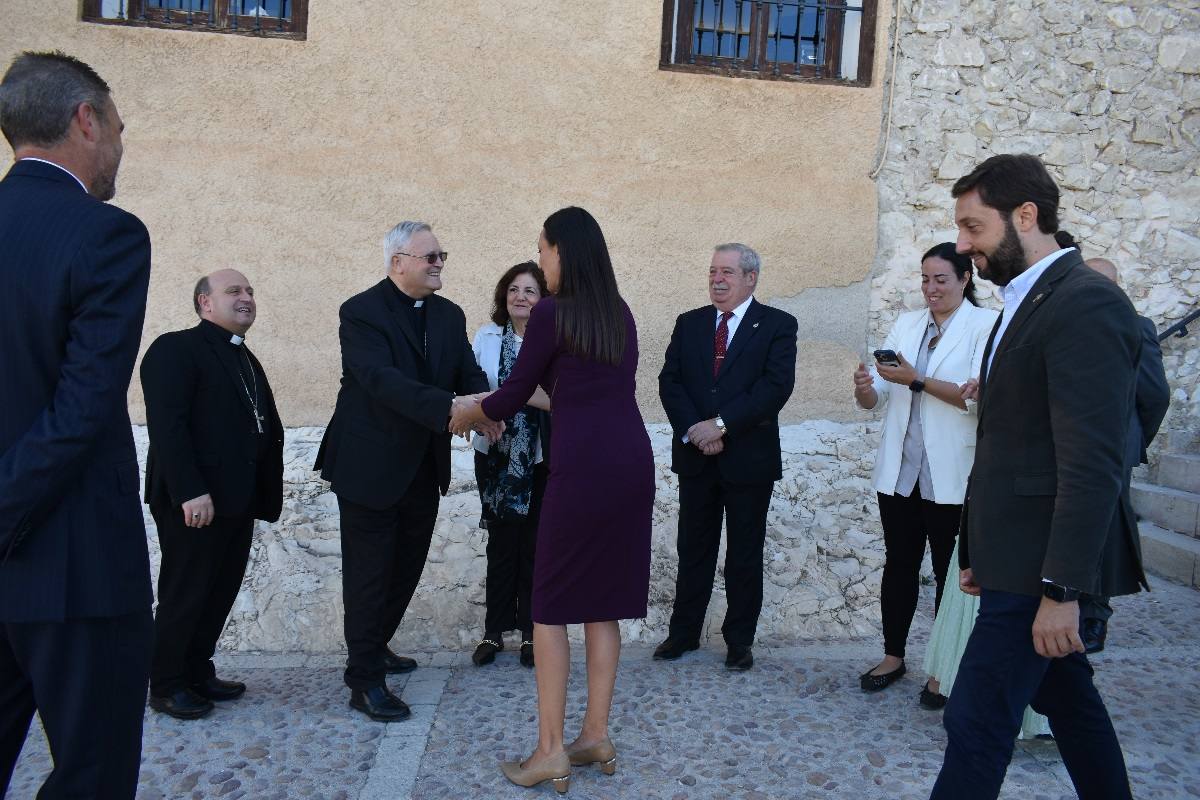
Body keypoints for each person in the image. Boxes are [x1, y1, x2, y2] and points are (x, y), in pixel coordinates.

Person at [929, 154, 1144, 800]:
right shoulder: (1022, 304)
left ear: (1026, 216)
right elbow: (1009, 446)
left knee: (974, 721)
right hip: (1012, 562)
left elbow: (1091, 461)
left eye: (973, 228)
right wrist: (980, 551)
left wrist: (1062, 589)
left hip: (1041, 573)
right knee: (1070, 705)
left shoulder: (1087, 303)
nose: (964, 247)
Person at [450, 207, 654, 794]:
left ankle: (549, 751)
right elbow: (588, 393)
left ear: (562, 250)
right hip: (629, 459)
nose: (539, 259)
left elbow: (516, 391)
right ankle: (595, 735)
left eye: (542, 250)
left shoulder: (549, 313)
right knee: (602, 604)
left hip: (583, 464)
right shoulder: (619, 313)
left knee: (548, 607)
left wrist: (468, 411)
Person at [0, 52, 154, 798]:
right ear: (84, 121)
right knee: (92, 777)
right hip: (76, 570)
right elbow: (81, 408)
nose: (120, 146)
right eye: (119, 128)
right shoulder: (107, 235)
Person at [315, 221, 498, 722]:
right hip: (368, 465)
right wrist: (454, 407)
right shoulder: (360, 312)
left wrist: (486, 405)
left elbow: (467, 370)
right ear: (398, 262)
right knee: (369, 574)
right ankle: (364, 681)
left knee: (405, 568)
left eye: (442, 255)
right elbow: (381, 381)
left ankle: (374, 646)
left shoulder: (448, 314)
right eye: (429, 256)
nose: (439, 263)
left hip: (422, 464)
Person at [851, 243, 998, 696]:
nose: (930, 289)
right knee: (899, 565)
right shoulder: (908, 323)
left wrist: (915, 379)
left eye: (941, 280)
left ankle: (943, 669)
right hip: (901, 469)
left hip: (952, 470)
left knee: (949, 571)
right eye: (925, 279)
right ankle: (893, 654)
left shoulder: (984, 325)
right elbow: (876, 396)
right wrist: (864, 388)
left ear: (965, 280)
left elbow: (975, 395)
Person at [140, 269, 284, 719]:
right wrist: (191, 491)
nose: (246, 297)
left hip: (234, 502)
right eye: (234, 291)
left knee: (219, 591)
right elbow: (169, 428)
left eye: (250, 290)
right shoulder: (175, 349)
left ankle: (197, 671)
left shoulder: (242, 355)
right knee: (186, 592)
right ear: (205, 303)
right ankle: (165, 685)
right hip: (195, 503)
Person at [654, 243, 798, 671]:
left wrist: (720, 425)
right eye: (713, 271)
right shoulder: (690, 323)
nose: (717, 280)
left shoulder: (777, 325)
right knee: (693, 548)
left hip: (748, 460)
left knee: (744, 553)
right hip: (698, 458)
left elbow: (775, 388)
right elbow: (670, 381)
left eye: (728, 273)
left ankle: (739, 640)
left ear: (751, 278)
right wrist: (696, 431)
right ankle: (683, 634)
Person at [1076, 253, 1170, 654]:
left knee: (1104, 533)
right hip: (1071, 446)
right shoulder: (1069, 328)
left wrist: (1132, 441)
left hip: (1114, 450)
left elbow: (1155, 394)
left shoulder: (1137, 327)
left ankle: (1095, 617)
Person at [469, 262, 552, 669]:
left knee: (534, 545)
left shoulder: (552, 341)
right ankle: (493, 632)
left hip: (537, 456)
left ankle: (530, 634)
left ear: (544, 299)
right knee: (500, 543)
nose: (521, 296)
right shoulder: (485, 337)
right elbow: (470, 386)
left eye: (531, 290)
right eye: (514, 289)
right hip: (495, 455)